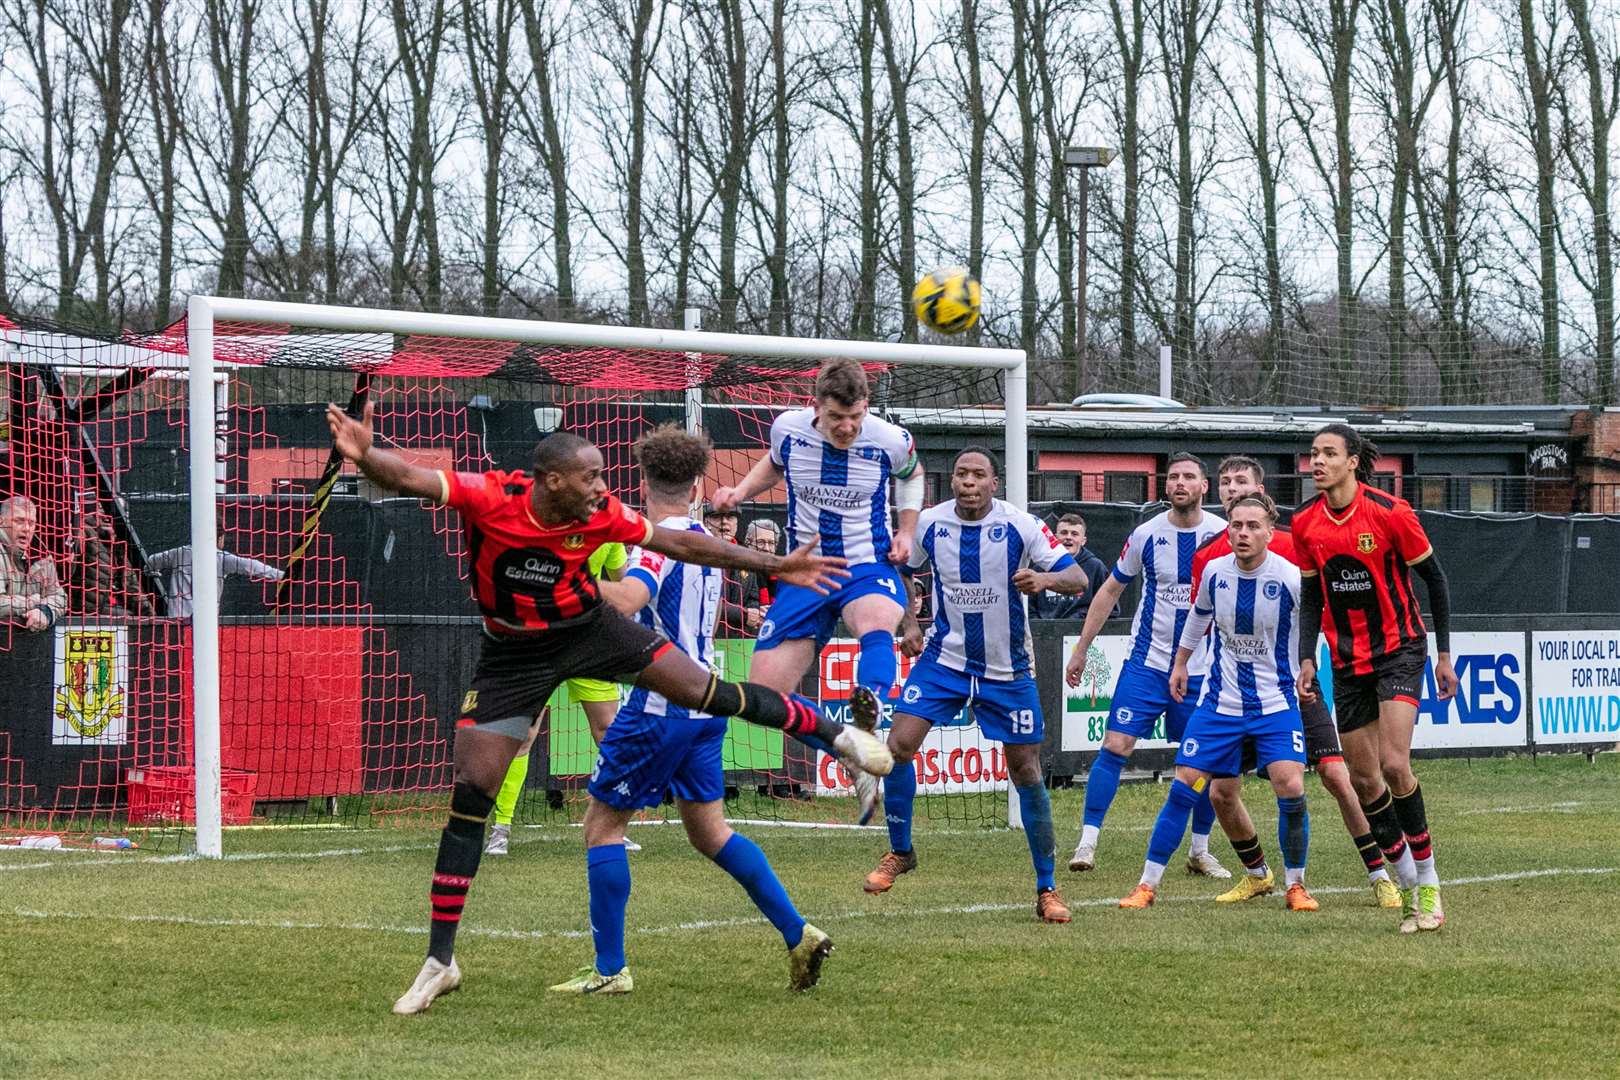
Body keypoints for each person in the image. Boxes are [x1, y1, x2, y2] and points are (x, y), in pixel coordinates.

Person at [321, 402, 891, 1016]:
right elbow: (407, 477)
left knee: (701, 697)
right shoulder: (492, 495)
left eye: (605, 476)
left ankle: (841, 739)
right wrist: (363, 454)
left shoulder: (606, 517)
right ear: (551, 481)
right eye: (590, 476)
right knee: (472, 794)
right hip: (513, 656)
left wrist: (775, 565)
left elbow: (675, 544)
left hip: (590, 632)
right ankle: (440, 961)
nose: (602, 487)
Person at [549, 425, 833, 995]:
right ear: (700, 482)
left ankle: (609, 971)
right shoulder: (705, 536)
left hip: (661, 704)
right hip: (706, 706)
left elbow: (629, 600)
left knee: (602, 825)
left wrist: (567, 578)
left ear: (642, 479)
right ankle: (797, 932)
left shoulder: (661, 540)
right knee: (710, 833)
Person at [865, 447, 1087, 923]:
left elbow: (1078, 577)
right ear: (954, 483)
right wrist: (908, 620)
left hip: (1008, 667)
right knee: (898, 746)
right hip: (945, 660)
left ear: (994, 483)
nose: (968, 481)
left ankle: (1047, 887)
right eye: (962, 474)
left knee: (1025, 770)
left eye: (978, 475)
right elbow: (898, 568)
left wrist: (1043, 577)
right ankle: (901, 852)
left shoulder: (1021, 525)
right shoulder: (929, 522)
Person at [710, 357, 925, 822]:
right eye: (836, 418)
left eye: (855, 416)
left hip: (865, 561)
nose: (847, 427)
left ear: (866, 407)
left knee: (875, 620)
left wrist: (906, 531)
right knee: (763, 694)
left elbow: (913, 475)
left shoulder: (889, 439)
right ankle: (848, 749)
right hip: (802, 568)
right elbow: (773, 463)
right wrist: (740, 493)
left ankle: (868, 720)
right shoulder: (788, 429)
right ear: (815, 407)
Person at [1190, 456, 1399, 909]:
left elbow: (1318, 609)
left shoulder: (1295, 543)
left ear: (1263, 497)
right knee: (1222, 791)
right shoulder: (1210, 555)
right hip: (1235, 693)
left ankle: (1380, 873)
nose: (1230, 488)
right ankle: (1257, 873)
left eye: (1240, 481)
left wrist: (1314, 663)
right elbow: (1207, 620)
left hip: (1293, 686)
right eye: (1224, 483)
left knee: (1336, 775)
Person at [1118, 493, 1318, 912]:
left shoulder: (1290, 577)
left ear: (1269, 530)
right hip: (1218, 704)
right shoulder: (1214, 571)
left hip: (1274, 703)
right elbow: (1198, 617)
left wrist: (1308, 664)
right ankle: (1147, 885)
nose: (1242, 533)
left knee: (1291, 784)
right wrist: (1180, 663)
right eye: (1236, 525)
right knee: (1187, 785)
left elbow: (1315, 623)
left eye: (1252, 526)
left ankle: (1296, 885)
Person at [1293, 424, 1456, 933]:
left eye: (1328, 453)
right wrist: (1304, 658)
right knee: (1364, 779)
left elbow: (1435, 579)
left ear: (1353, 461)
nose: (1316, 462)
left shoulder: (1389, 513)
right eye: (1313, 453)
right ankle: (1409, 887)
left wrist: (1444, 655)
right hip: (1345, 662)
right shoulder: (1304, 524)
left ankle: (1428, 883)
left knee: (1392, 763)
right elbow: (1313, 596)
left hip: (1399, 651)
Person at [1062, 454, 1228, 877]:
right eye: (1173, 477)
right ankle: (1087, 842)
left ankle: (1200, 850)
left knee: (1202, 761)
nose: (1180, 483)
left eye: (1189, 476)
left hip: (1203, 670)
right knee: (1116, 746)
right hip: (1148, 662)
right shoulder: (1146, 535)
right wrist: (1082, 648)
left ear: (1204, 487)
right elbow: (1110, 590)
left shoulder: (1223, 536)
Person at [484, 541, 631, 857]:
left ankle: (614, 826)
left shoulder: (609, 531)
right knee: (522, 735)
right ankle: (501, 829)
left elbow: (625, 584)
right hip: (539, 641)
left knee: (610, 733)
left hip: (589, 642)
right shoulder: (541, 524)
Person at [146, 534, 284, 618]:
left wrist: (151, 570)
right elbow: (251, 566)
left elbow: (152, 561)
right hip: (207, 624)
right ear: (219, 537)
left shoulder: (179, 553)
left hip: (176, 621)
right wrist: (282, 575)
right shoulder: (221, 558)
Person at [0, 495, 66, 632]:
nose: (26, 528)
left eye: (31, 523)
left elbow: (60, 597)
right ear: (1, 522)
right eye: (19, 521)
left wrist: (44, 611)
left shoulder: (41, 554)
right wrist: (34, 602)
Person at [72, 511, 156, 617]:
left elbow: (132, 588)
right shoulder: (84, 532)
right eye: (102, 508)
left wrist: (150, 614)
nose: (107, 517)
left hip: (120, 610)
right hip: (91, 612)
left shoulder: (121, 545)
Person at [1029, 513, 1109, 620]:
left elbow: (1108, 608)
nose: (1068, 537)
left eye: (1074, 534)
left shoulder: (1096, 567)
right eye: (1064, 533)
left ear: (1083, 541)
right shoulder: (1039, 568)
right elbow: (1030, 608)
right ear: (1055, 538)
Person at [739, 519, 781, 634]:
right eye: (761, 542)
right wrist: (754, 611)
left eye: (771, 543)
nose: (767, 548)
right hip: (738, 637)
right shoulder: (737, 570)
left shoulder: (784, 576)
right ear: (748, 543)